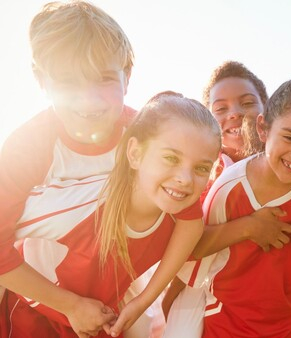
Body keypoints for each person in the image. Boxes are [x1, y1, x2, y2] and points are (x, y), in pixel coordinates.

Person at [0, 2, 166, 337]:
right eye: (68, 81)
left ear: (127, 77)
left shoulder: (149, 137)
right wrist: (70, 306)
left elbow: (189, 213)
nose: (88, 100)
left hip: (120, 306)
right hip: (39, 307)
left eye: (104, 78)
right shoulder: (26, 149)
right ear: (41, 81)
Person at [0, 92, 222, 338]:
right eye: (171, 158)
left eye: (202, 167)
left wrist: (140, 303)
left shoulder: (179, 216)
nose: (185, 179)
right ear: (135, 154)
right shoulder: (82, 204)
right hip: (34, 316)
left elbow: (192, 228)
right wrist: (70, 306)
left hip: (95, 319)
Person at [163, 63, 291, 338]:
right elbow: (190, 249)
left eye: (246, 103)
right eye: (221, 108)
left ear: (264, 110)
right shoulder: (207, 173)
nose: (234, 114)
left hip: (283, 276)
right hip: (209, 276)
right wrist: (249, 226)